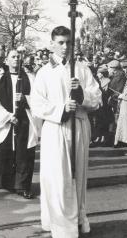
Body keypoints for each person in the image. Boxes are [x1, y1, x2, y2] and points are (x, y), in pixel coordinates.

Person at [31, 26, 102, 237]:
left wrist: (81, 95)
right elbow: (37, 104)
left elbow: (97, 98)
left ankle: (79, 218)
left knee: (78, 176)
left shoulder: (82, 69)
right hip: (56, 128)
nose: (65, 47)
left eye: (68, 42)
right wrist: (61, 110)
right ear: (52, 44)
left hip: (79, 126)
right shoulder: (44, 72)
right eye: (60, 42)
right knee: (57, 177)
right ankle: (60, 226)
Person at [0, 49, 39, 197]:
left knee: (24, 154)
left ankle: (23, 186)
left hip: (24, 120)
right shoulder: (0, 79)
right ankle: (7, 182)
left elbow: (38, 99)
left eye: (18, 57)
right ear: (7, 60)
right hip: (6, 121)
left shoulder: (29, 78)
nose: (16, 59)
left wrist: (26, 99)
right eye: (13, 57)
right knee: (5, 152)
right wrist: (8, 116)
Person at [106, 60, 126, 145]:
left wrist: (110, 97)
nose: (108, 70)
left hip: (116, 102)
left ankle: (116, 141)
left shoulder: (119, 77)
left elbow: (116, 91)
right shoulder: (117, 76)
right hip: (115, 102)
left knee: (116, 121)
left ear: (114, 69)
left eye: (109, 68)